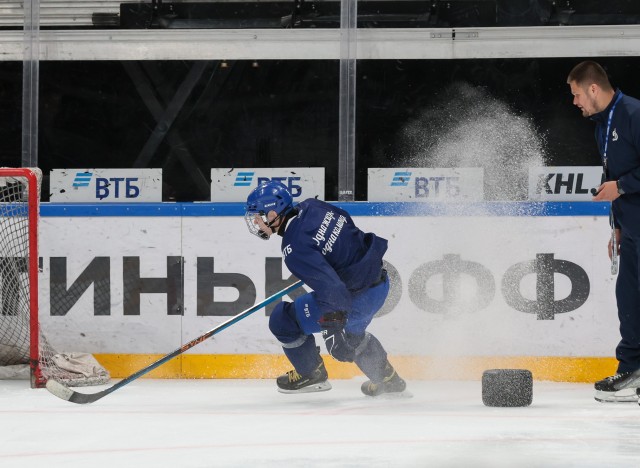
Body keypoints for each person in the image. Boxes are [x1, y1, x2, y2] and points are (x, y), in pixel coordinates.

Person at [244, 180, 407, 396]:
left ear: (274, 213)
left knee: (283, 320)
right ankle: (389, 381)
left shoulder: (294, 248)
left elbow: (332, 289)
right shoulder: (314, 206)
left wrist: (332, 327)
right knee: (353, 335)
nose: (256, 221)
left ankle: (311, 374)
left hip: (354, 298)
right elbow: (347, 227)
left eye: (259, 215)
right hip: (379, 283)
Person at [567, 60, 640, 403]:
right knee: (629, 302)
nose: (575, 101)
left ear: (593, 88)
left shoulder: (633, 113)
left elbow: (621, 182)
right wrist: (619, 229)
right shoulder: (601, 126)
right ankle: (632, 371)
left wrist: (622, 187)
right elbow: (614, 177)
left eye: (577, 93)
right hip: (633, 229)